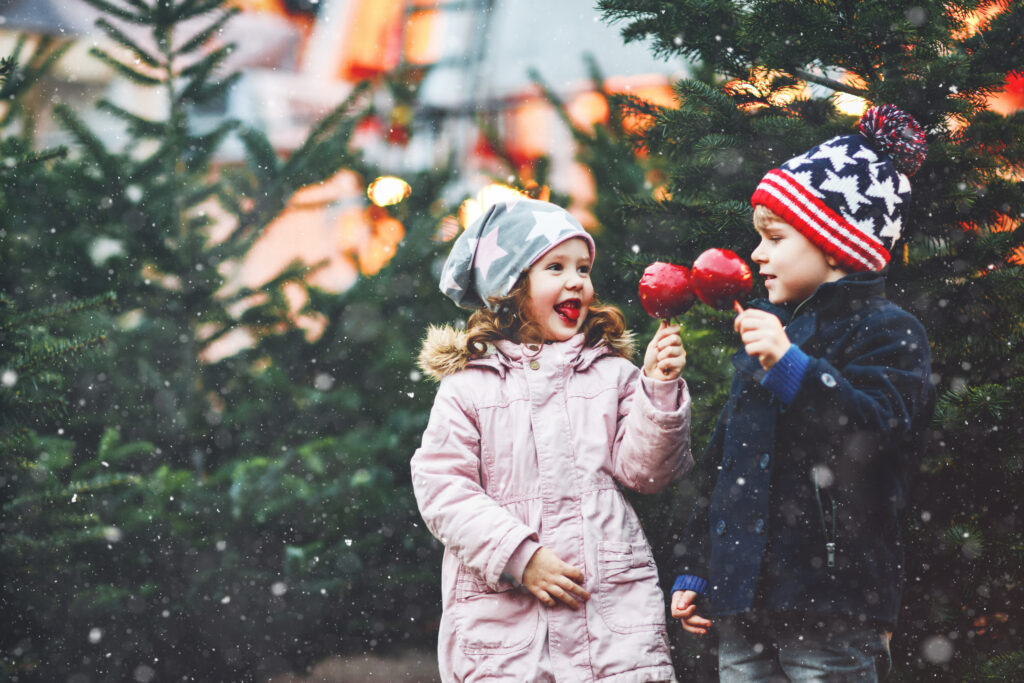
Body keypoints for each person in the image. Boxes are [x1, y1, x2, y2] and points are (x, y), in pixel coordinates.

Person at [670, 105, 936, 682]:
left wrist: (793, 366)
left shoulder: (889, 331)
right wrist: (697, 568)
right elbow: (726, 465)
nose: (757, 253)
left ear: (835, 245)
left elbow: (875, 433)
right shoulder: (767, 327)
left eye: (775, 237)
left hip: (833, 599)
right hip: (743, 596)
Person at [412, 197, 692, 682]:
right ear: (510, 288)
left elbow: (646, 473)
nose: (576, 281)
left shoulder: (613, 375)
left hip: (610, 619)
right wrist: (520, 556)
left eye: (583, 268)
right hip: (508, 631)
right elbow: (443, 489)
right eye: (555, 267)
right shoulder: (468, 388)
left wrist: (658, 389)